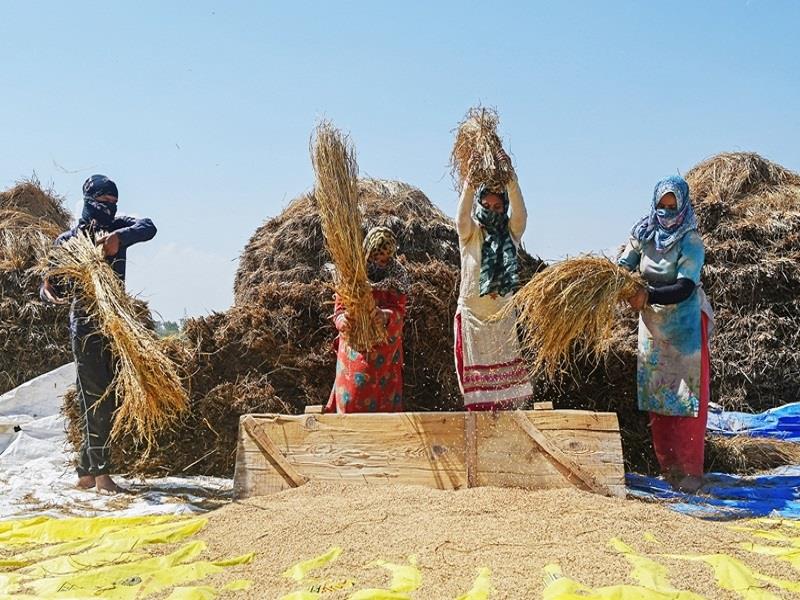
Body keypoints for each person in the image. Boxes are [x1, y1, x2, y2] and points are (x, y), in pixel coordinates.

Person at [41, 175, 157, 494]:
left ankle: (85, 473)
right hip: (86, 327)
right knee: (95, 398)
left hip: (116, 326)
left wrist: (119, 237)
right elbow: (49, 286)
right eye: (103, 202)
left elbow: (148, 226)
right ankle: (102, 474)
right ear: (90, 201)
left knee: (105, 396)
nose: (109, 208)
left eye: (113, 204)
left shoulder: (116, 229)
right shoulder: (68, 242)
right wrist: (50, 292)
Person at [618, 175, 713, 493]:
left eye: (673, 206)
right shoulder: (643, 233)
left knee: (685, 396)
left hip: (684, 324)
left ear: (684, 206)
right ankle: (667, 467)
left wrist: (648, 296)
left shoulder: (691, 241)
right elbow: (624, 263)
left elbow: (685, 286)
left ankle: (690, 470)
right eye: (662, 205)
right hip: (653, 326)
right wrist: (617, 281)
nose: (667, 212)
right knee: (658, 394)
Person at [454, 156, 533, 410]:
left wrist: (510, 180)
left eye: (497, 207)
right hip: (473, 321)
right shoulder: (470, 235)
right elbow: (460, 219)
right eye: (486, 205)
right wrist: (469, 183)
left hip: (502, 322)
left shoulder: (511, 234)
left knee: (506, 399)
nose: (491, 210)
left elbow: (521, 215)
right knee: (477, 396)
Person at [326, 226, 408, 414]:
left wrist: (385, 315)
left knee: (386, 407)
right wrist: (342, 320)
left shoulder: (397, 275)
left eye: (384, 260)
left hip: (386, 352)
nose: (380, 263)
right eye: (375, 259)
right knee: (352, 398)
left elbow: (399, 311)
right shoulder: (350, 275)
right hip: (355, 348)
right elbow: (338, 310)